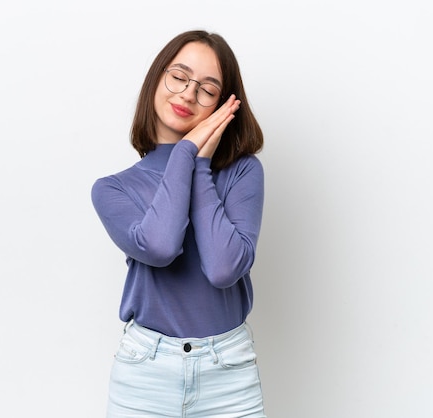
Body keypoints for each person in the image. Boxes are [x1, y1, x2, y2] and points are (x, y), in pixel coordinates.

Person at [91, 29, 266, 417]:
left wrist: (199, 163)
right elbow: (161, 246)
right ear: (158, 78)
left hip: (230, 377)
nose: (188, 93)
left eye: (207, 88)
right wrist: (186, 151)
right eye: (179, 76)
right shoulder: (113, 189)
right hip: (145, 375)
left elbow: (224, 269)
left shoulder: (242, 174)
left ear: (225, 106)